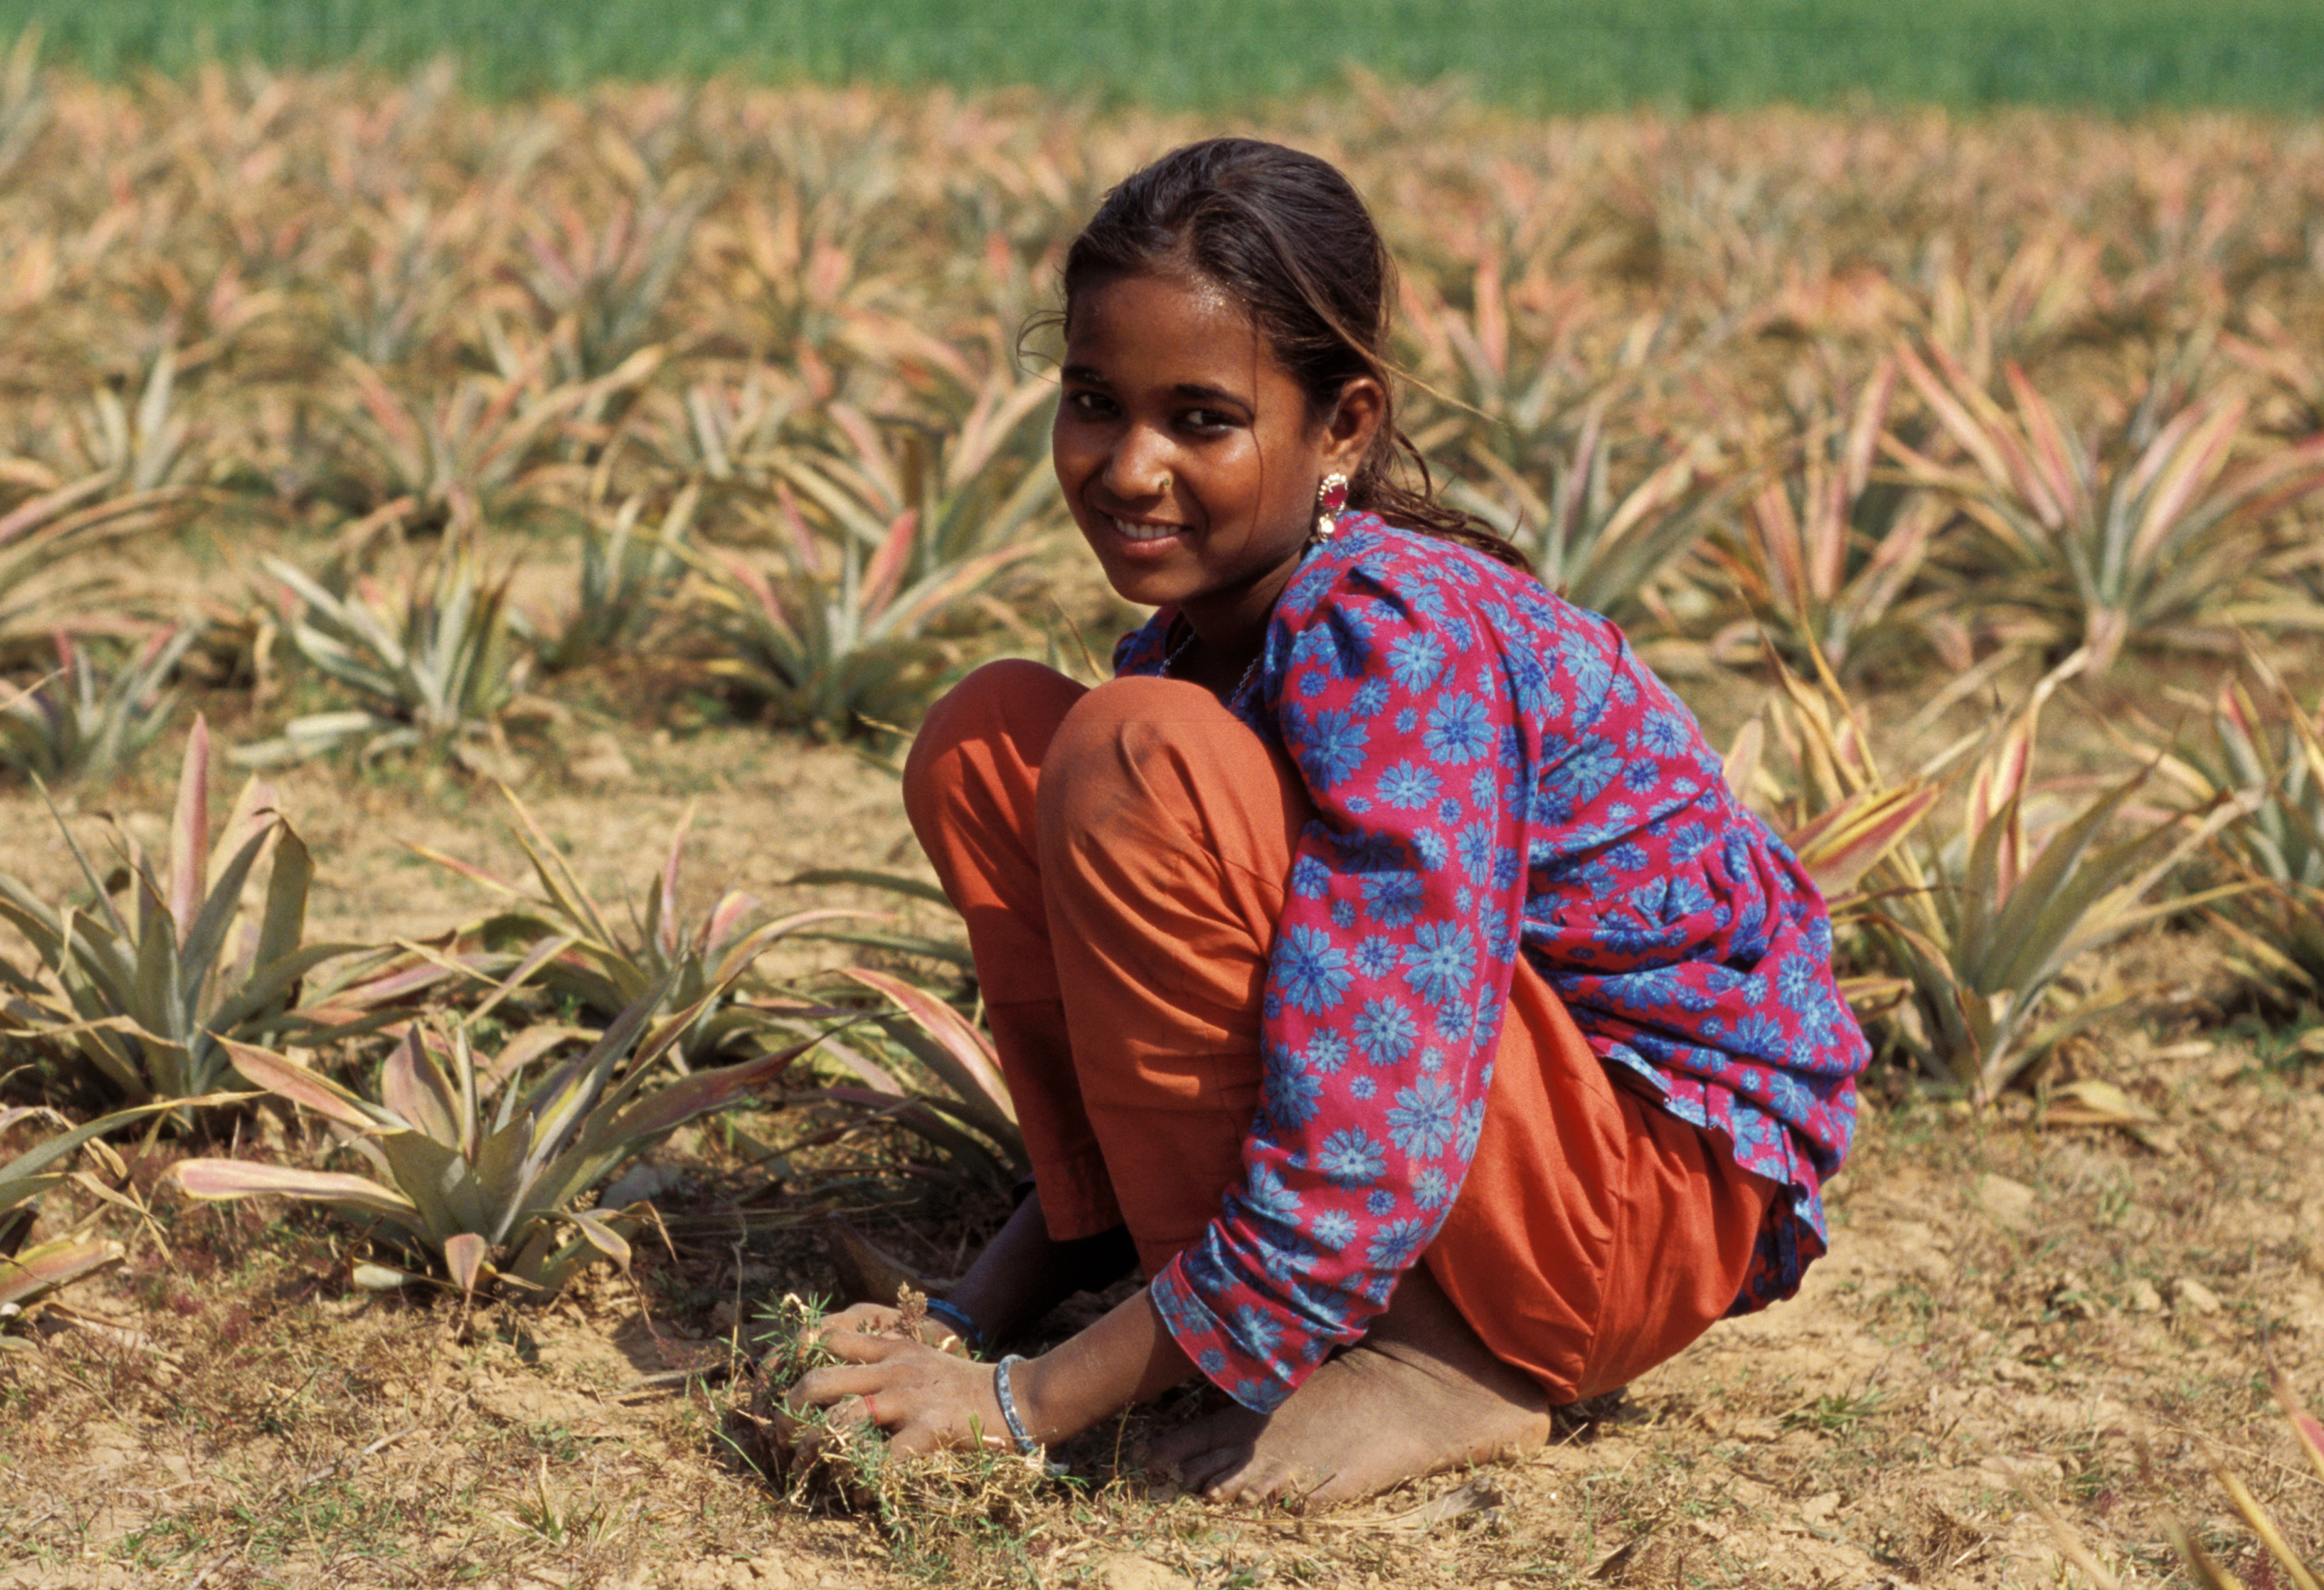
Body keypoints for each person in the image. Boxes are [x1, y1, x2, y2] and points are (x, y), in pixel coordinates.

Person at [789, 137, 1867, 1507]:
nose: (1127, 467)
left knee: (1131, 758)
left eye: (1200, 419)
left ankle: (1430, 1359)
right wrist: (970, 1312)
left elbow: (1389, 1080)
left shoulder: (1390, 636)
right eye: (1090, 402)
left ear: (1341, 427)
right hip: (1505, 1147)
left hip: (1626, 1200)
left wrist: (1023, 1402)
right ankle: (1258, 1300)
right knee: (999, 739)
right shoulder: (1193, 645)